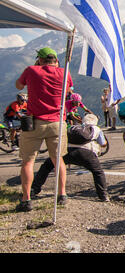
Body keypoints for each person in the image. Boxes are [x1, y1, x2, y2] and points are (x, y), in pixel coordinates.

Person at [15, 47, 72, 212]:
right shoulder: (64, 72)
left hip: (34, 122)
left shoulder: (31, 70)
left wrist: (35, 72)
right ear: (56, 60)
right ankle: (62, 195)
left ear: (39, 59)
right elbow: (68, 91)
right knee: (58, 159)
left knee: (28, 161)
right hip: (57, 122)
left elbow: (18, 85)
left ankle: (26, 199)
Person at [31, 114, 110, 202]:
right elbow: (103, 144)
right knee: (98, 172)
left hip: (67, 152)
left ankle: (35, 189)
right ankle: (103, 195)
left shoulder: (74, 128)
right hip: (86, 154)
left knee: (47, 165)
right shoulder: (96, 129)